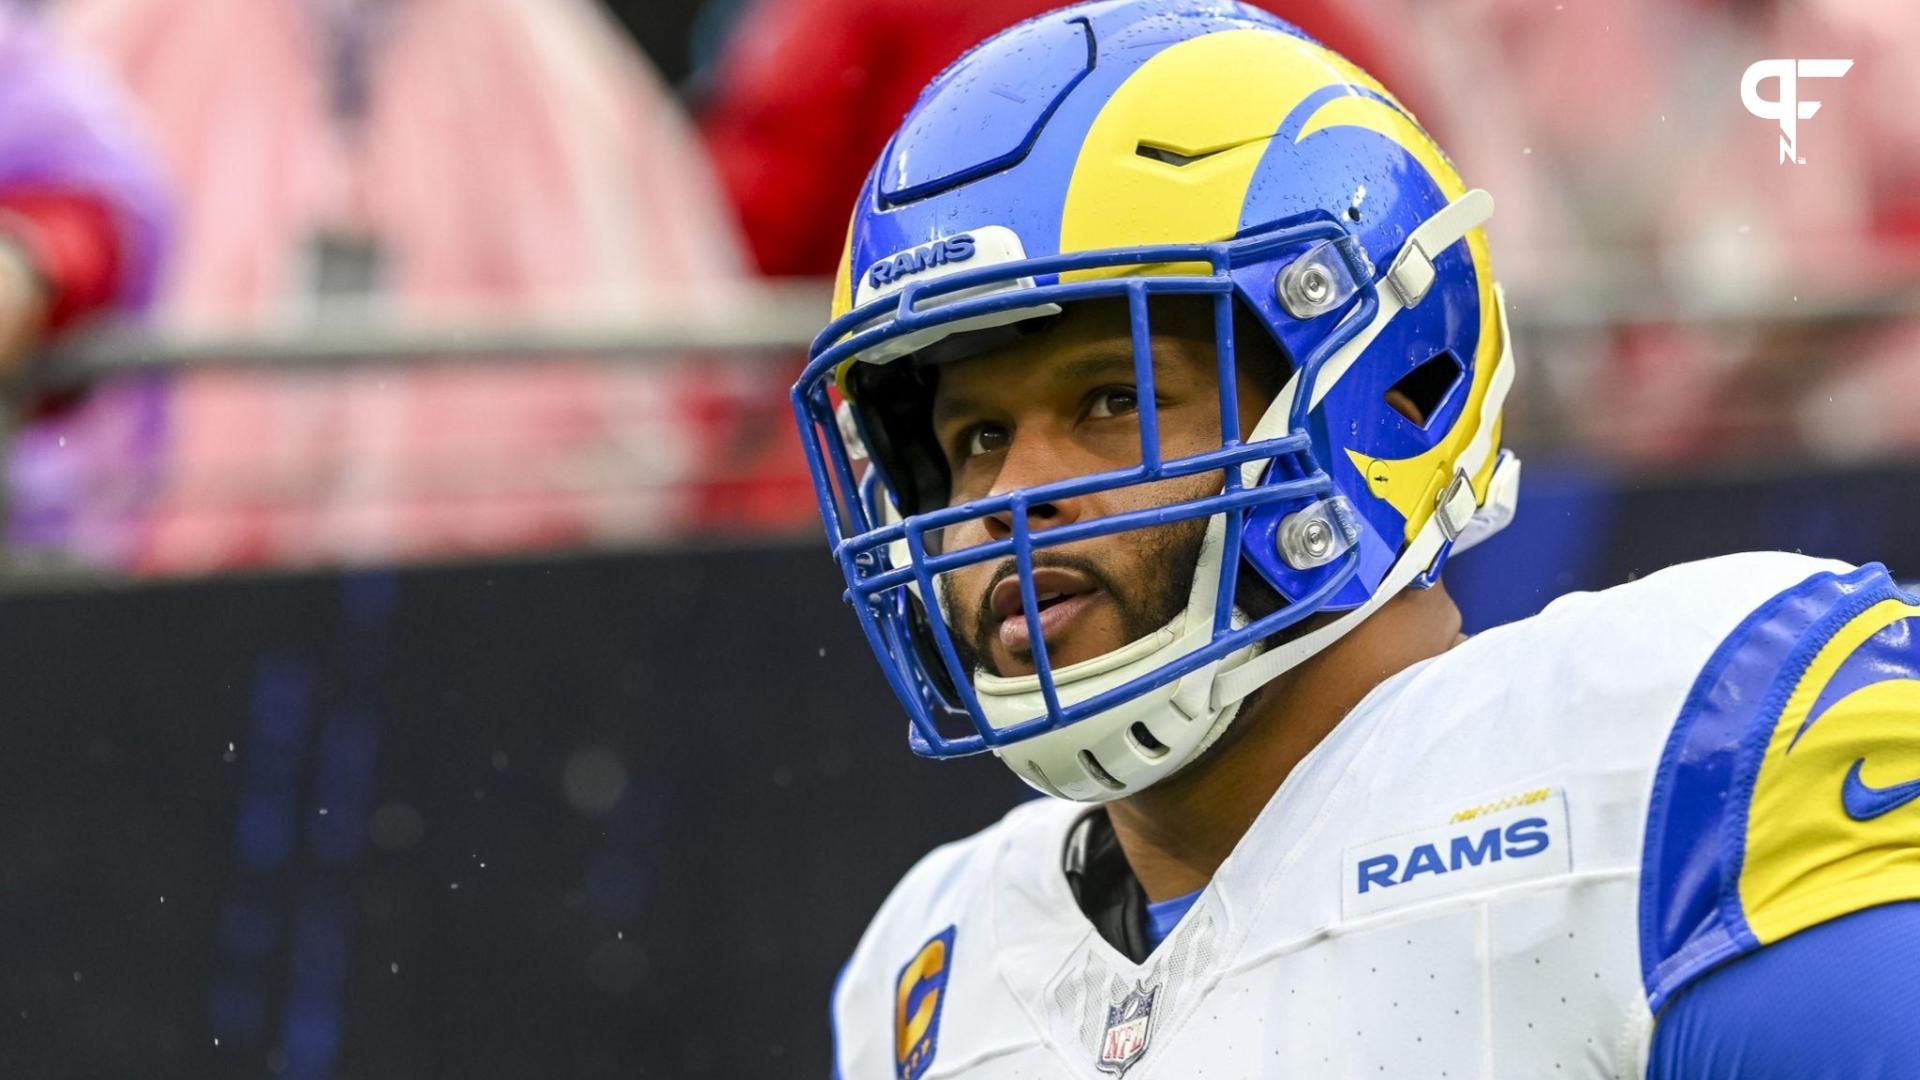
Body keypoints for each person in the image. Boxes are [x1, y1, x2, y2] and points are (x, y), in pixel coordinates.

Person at [789, 2, 1920, 1076]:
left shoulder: (1690, 749)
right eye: (976, 434)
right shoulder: (928, 968)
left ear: (1373, 397)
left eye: (1112, 401)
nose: (1009, 493)